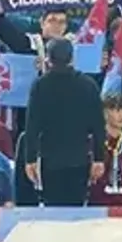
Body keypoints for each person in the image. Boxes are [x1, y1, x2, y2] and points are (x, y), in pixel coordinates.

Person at [23, 37, 105, 206]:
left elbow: (32, 126)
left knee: (53, 210)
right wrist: (99, 158)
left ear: (48, 59)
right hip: (80, 159)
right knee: (76, 209)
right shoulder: (88, 85)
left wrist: (30, 159)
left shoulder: (40, 86)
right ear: (72, 58)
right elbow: (99, 126)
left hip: (50, 161)